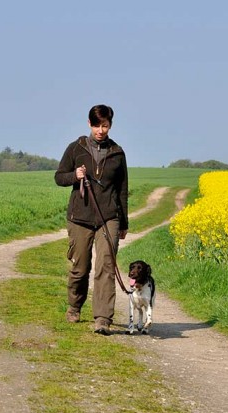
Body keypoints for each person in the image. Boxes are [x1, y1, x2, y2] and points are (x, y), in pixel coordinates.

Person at [55, 104, 129, 335]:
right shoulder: (75, 148)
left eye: (105, 125)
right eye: (97, 125)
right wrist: (74, 176)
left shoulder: (117, 153)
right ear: (89, 124)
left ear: (110, 125)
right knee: (81, 267)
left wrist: (123, 222)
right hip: (80, 217)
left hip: (109, 217)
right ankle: (75, 306)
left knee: (106, 266)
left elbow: (122, 190)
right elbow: (59, 177)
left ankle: (103, 318)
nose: (100, 130)